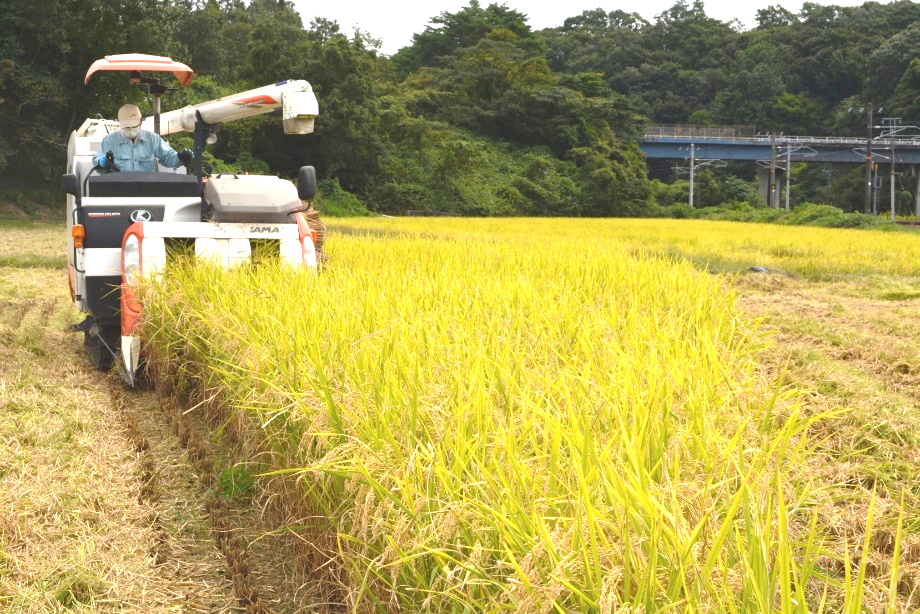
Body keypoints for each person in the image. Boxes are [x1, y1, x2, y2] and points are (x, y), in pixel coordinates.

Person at [93, 104, 193, 172]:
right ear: (119, 123)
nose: (130, 129)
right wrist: (101, 161)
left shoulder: (153, 139)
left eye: (133, 125)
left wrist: (180, 157)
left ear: (141, 121)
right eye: (127, 127)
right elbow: (96, 161)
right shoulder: (109, 140)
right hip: (118, 190)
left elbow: (168, 157)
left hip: (147, 190)